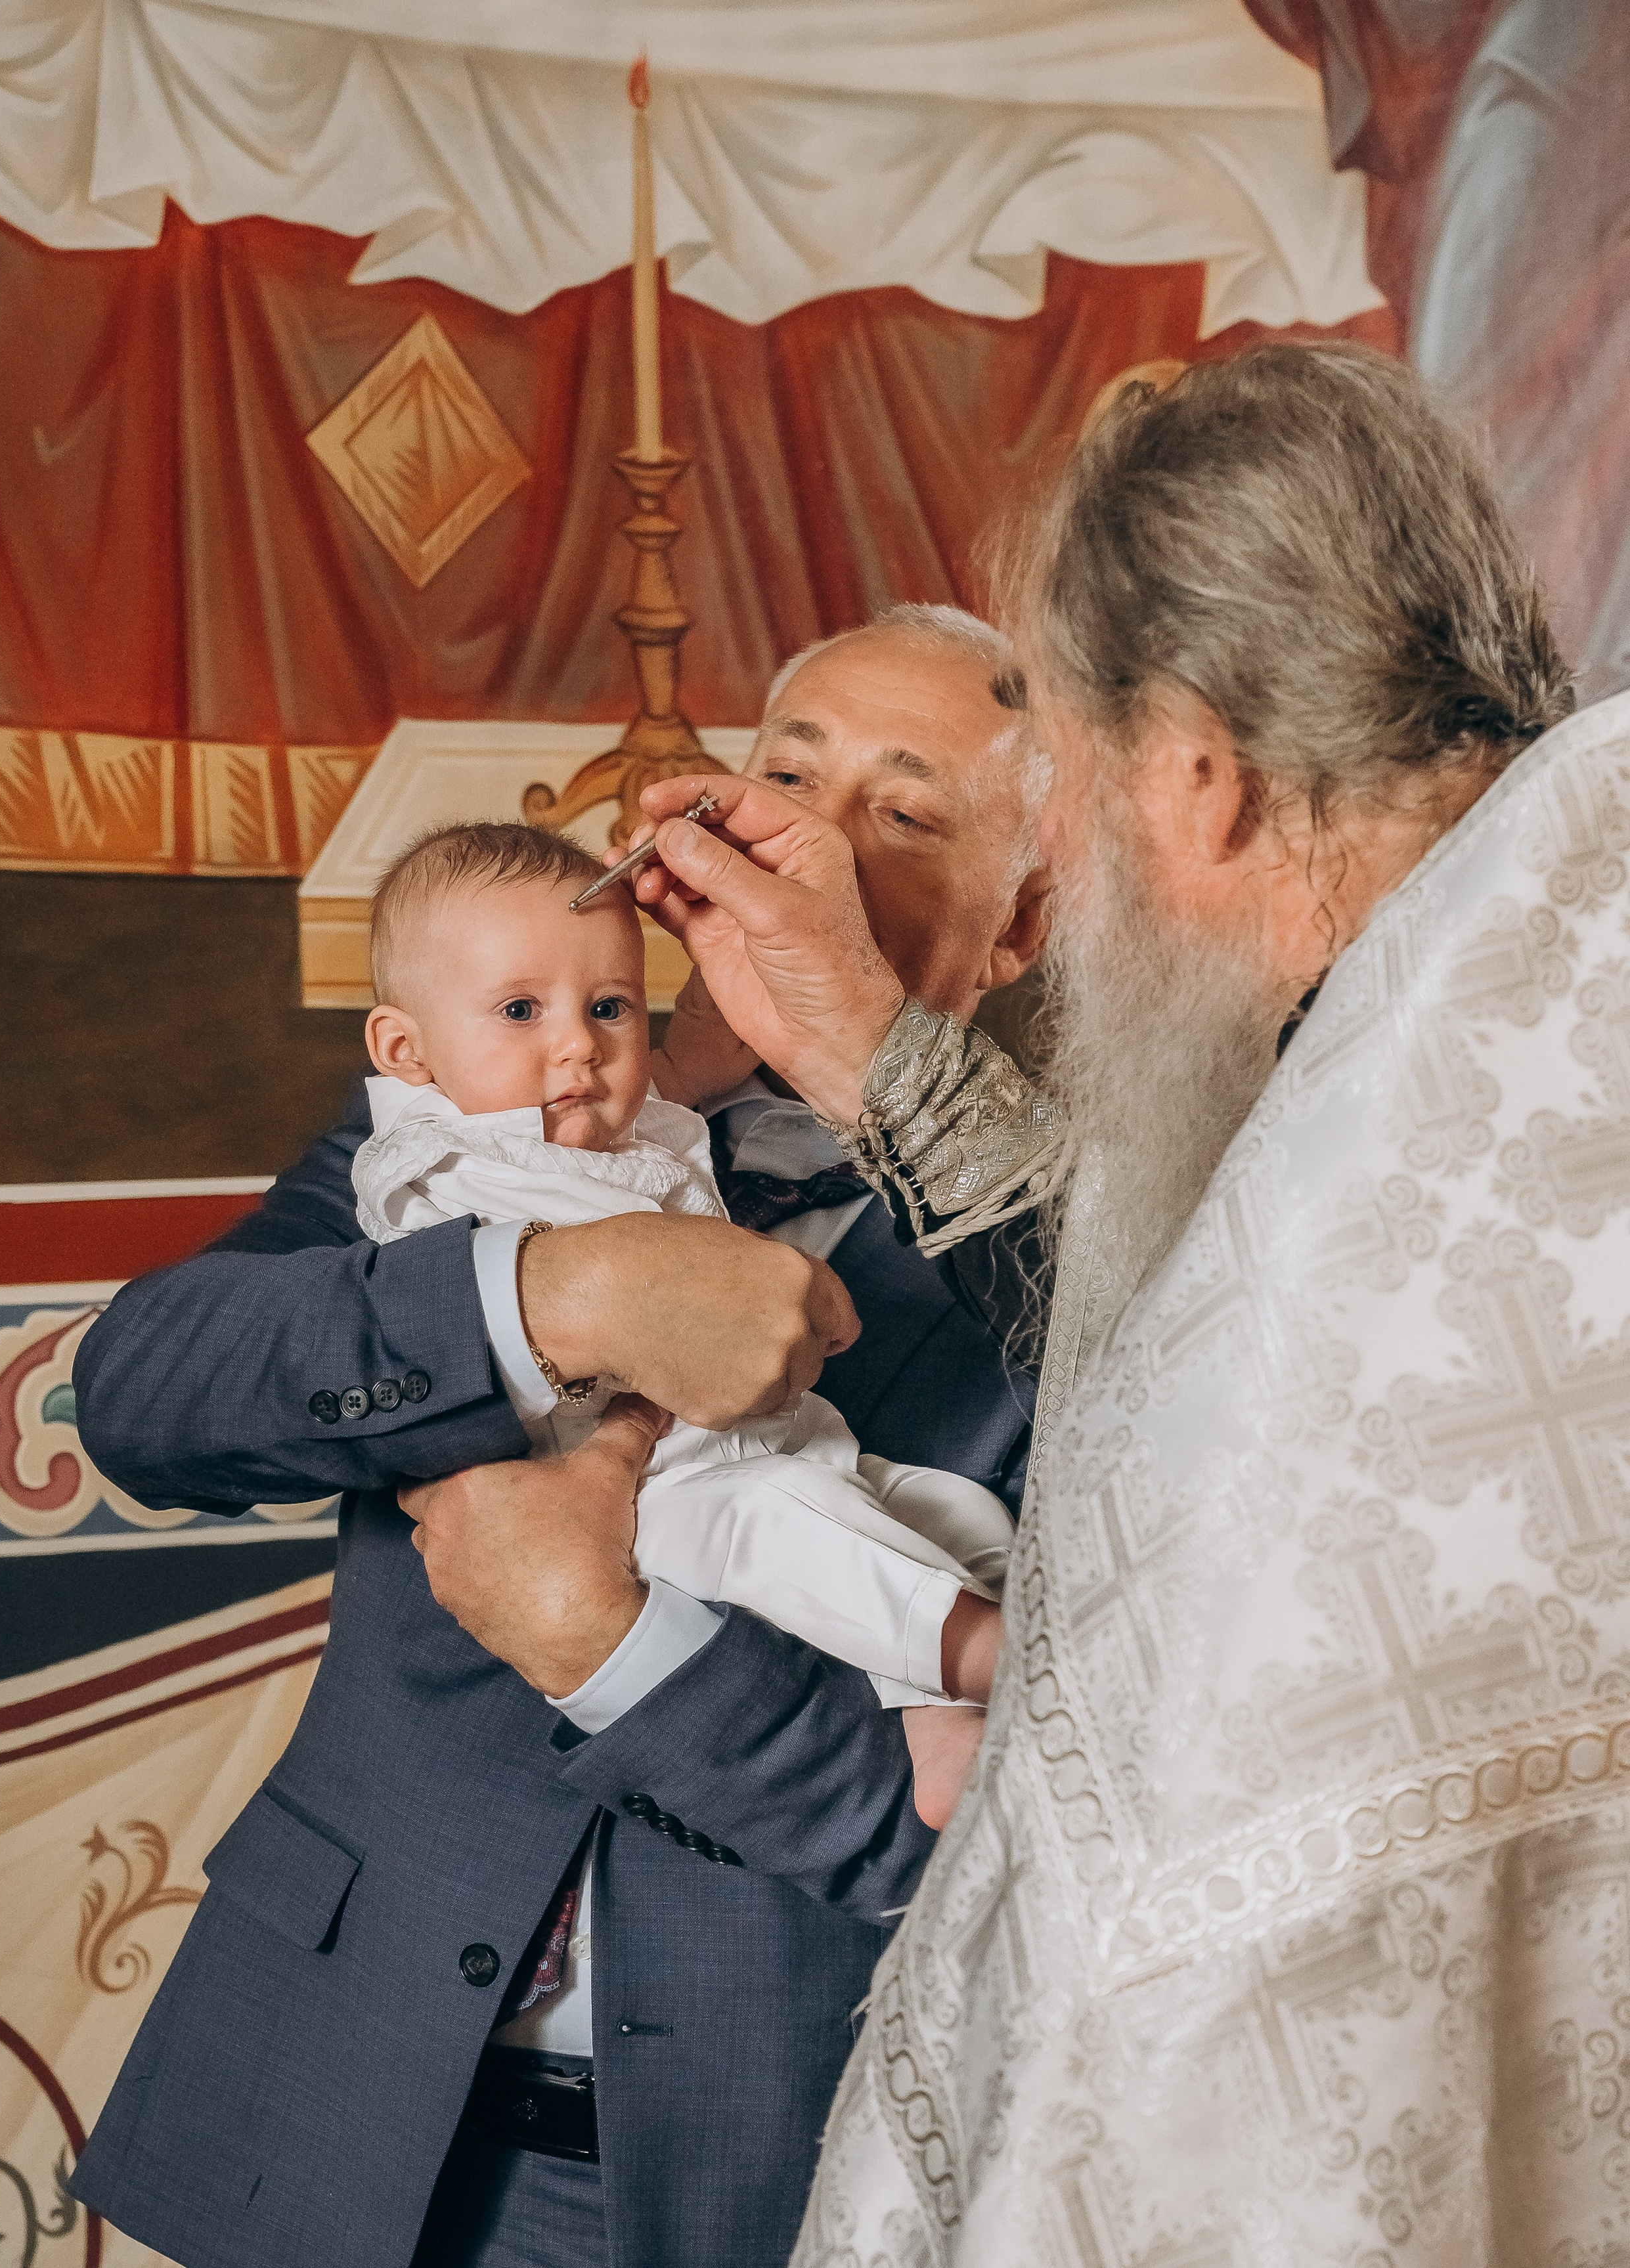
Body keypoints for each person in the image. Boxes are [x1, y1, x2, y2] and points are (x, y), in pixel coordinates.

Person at [621, 345, 1625, 2260]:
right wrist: (873, 1053)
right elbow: (1199, 1272)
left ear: (1195, 779)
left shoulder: (1407, 1151)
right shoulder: (1513, 997)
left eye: (1069, 786)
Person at [67, 601, 1051, 2268]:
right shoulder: (509, 1107)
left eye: (903, 811)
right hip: (350, 2104)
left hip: (767, 2154)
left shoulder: (1073, 1246)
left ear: (1017, 923)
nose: (808, 837)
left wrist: (611, 1640)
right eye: (784, 773)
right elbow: (146, 1390)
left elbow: (987, 1807)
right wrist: (554, 1293)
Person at [353, 815, 1012, 1820]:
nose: (578, 1042)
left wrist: (687, 1075)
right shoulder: (446, 1159)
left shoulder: (633, 1125)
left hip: (778, 1451)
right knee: (787, 1533)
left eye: (610, 1004)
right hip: (652, 1499)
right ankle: (994, 1662)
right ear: (408, 1050)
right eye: (521, 1008)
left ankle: (937, 1708)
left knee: (951, 1510)